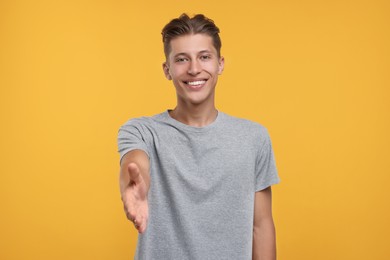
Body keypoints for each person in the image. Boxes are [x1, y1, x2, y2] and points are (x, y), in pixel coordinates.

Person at [118, 13, 280, 260]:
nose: (194, 69)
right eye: (182, 59)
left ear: (220, 64)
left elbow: (261, 226)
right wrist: (132, 187)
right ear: (167, 69)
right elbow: (135, 164)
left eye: (204, 57)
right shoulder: (142, 130)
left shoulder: (253, 137)